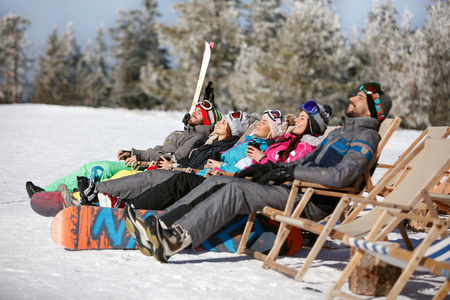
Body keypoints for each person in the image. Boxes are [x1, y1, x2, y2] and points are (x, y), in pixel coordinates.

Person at [125, 82, 392, 263]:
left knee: (235, 189)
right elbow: (310, 161)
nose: (350, 99)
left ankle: (173, 241)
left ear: (372, 107)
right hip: (294, 189)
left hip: (310, 200)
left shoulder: (366, 139)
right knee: (219, 180)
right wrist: (273, 167)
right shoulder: (342, 134)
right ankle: (163, 227)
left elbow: (340, 178)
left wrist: (290, 173)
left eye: (358, 98)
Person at [123, 101, 331, 212]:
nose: (258, 125)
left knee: (178, 180)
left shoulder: (271, 147)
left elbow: (261, 170)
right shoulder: (261, 144)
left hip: (235, 183)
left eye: (264, 124)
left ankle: (132, 209)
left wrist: (226, 167)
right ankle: (123, 203)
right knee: (169, 178)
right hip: (217, 175)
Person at [78, 109, 285, 205]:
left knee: (162, 179)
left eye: (224, 123)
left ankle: (117, 202)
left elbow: (246, 173)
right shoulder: (239, 144)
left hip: (202, 177)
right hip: (196, 172)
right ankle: (98, 192)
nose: (218, 125)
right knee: (150, 176)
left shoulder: (249, 148)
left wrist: (219, 168)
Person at [25, 99, 222, 198]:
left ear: (208, 119)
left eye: (199, 112)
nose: (193, 112)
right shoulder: (183, 133)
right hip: (145, 163)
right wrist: (133, 153)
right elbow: (161, 150)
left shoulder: (197, 137)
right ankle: (46, 193)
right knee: (92, 167)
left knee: (103, 175)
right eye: (194, 110)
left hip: (151, 170)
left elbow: (170, 157)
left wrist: (140, 158)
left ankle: (70, 198)